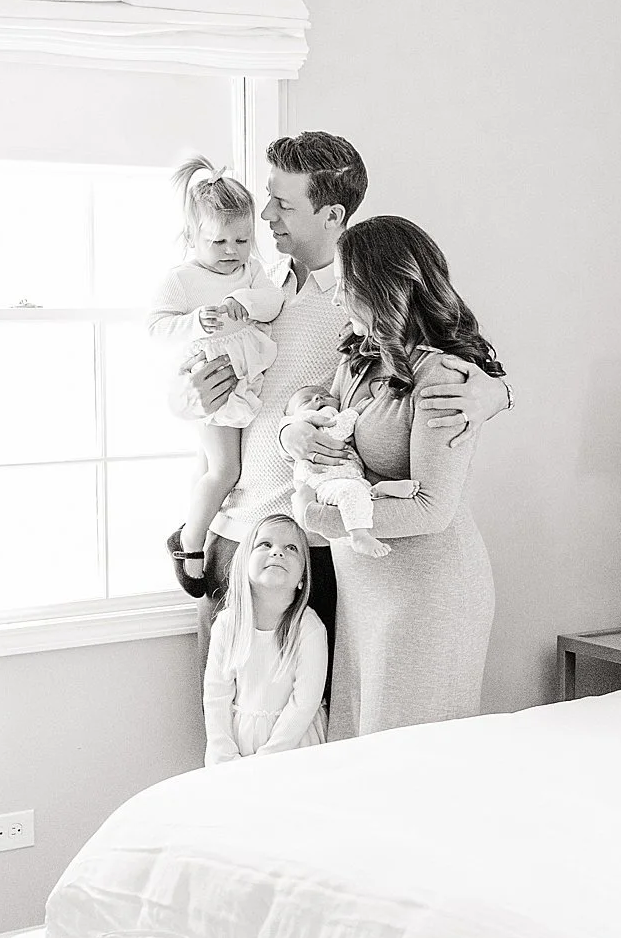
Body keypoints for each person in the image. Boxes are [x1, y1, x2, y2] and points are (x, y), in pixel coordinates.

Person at [169, 132, 511, 651]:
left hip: (320, 548)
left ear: (332, 215)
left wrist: (496, 394)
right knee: (224, 715)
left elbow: (449, 358)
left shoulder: (370, 303)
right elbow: (185, 369)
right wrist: (187, 398)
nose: (264, 218)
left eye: (282, 203)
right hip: (235, 534)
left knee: (318, 723)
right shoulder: (248, 283)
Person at [282, 215, 502, 738]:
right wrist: (295, 431)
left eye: (346, 285)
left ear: (382, 288)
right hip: (367, 588)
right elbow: (316, 409)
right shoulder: (362, 360)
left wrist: (321, 518)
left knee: (406, 762)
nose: (336, 298)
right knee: (359, 750)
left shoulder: (443, 379)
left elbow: (432, 509)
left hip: (426, 594)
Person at [148, 158, 283, 584]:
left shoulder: (252, 270)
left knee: (208, 466)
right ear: (191, 237)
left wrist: (244, 301)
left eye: (243, 239)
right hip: (215, 382)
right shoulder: (183, 279)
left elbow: (272, 302)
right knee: (225, 470)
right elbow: (156, 328)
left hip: (243, 376)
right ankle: (189, 546)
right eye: (219, 241)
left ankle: (196, 534)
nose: (232, 251)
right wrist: (194, 322)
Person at [202, 515, 327, 765]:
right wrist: (225, 755)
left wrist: (268, 760)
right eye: (265, 545)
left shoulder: (308, 628)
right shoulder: (228, 625)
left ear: (303, 576)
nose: (278, 552)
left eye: (291, 548)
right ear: (244, 562)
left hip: (295, 746)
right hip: (238, 743)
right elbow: (216, 696)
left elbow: (305, 703)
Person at [282, 382, 417, 559]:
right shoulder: (308, 423)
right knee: (350, 495)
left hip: (350, 478)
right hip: (324, 485)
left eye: (324, 395)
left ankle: (376, 491)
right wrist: (355, 411)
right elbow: (337, 428)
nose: (318, 398)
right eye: (306, 400)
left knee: (356, 498)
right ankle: (359, 536)